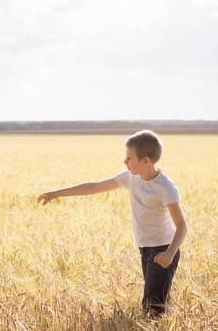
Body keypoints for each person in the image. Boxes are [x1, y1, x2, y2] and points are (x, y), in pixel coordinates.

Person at [37, 130, 187, 317]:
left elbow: (181, 225)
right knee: (157, 300)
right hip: (145, 248)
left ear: (145, 160)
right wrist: (56, 192)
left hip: (163, 249)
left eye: (129, 158)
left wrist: (170, 252)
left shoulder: (166, 188)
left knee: (151, 308)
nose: (125, 162)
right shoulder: (129, 177)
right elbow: (94, 186)